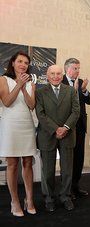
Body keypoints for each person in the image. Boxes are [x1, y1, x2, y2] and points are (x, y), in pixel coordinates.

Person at [35, 65, 80, 212]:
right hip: (47, 135)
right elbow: (40, 114)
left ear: (62, 75)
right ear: (47, 76)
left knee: (67, 169)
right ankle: (48, 198)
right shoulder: (40, 92)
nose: (56, 76)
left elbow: (76, 111)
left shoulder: (71, 91)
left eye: (58, 73)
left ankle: (66, 197)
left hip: (68, 134)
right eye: (52, 73)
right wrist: (56, 129)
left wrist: (65, 127)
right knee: (47, 170)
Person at [0, 51, 37, 217]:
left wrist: (25, 88)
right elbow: (7, 102)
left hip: (26, 124)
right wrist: (18, 85)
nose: (23, 65)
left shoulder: (31, 82)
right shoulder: (3, 79)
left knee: (28, 162)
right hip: (10, 125)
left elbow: (31, 105)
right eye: (20, 61)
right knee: (12, 163)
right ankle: (14, 201)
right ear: (13, 63)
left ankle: (29, 199)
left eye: (26, 63)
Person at [62, 58, 90, 199]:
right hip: (66, 126)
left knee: (79, 158)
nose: (78, 71)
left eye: (78, 68)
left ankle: (76, 186)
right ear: (67, 68)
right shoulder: (60, 81)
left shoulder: (80, 83)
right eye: (75, 68)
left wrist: (84, 90)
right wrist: (73, 92)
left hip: (80, 126)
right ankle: (67, 189)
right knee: (68, 159)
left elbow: (89, 100)